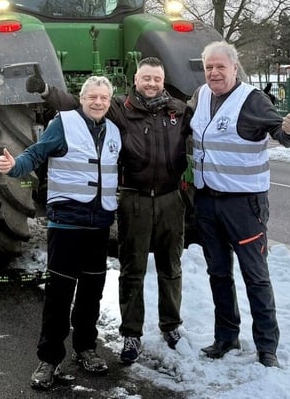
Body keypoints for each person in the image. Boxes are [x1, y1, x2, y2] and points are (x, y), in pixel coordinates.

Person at [27, 57, 191, 365]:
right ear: (136, 80)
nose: (152, 83)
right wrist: (48, 91)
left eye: (157, 78)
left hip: (170, 198)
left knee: (171, 265)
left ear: (164, 80)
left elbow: (206, 127)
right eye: (146, 78)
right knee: (133, 268)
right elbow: (83, 104)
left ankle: (171, 326)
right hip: (134, 198)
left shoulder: (179, 110)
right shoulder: (120, 108)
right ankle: (131, 332)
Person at [0, 75, 122, 391]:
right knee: (59, 295)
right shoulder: (63, 124)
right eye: (92, 97)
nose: (98, 102)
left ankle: (85, 348)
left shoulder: (114, 132)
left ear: (110, 101)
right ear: (82, 98)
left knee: (92, 291)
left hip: (99, 224)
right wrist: (14, 167)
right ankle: (49, 358)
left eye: (103, 98)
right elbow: (35, 154)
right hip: (66, 223)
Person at [188, 40, 290, 369]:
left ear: (234, 68)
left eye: (220, 67)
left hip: (244, 205)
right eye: (209, 67)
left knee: (255, 276)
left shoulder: (251, 100)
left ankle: (267, 347)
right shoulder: (200, 96)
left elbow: (280, 130)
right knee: (218, 273)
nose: (214, 73)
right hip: (208, 201)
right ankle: (226, 337)